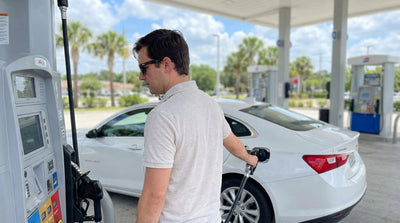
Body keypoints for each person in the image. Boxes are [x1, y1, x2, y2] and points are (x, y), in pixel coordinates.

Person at [133, 29, 258, 223]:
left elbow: (154, 196)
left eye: (143, 68)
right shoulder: (210, 104)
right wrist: (250, 158)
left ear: (166, 64)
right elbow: (233, 143)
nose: (141, 77)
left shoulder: (163, 116)